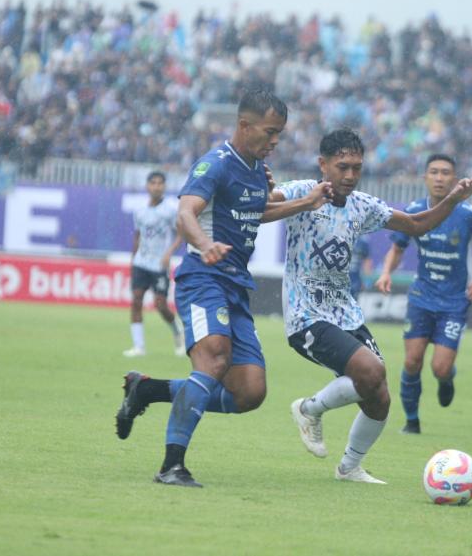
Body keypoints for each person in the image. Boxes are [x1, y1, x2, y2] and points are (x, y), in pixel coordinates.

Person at [112, 89, 331, 488]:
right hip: (202, 278)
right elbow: (185, 212)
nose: (276, 141)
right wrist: (204, 243)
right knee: (213, 361)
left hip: (234, 285)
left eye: (280, 132)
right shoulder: (215, 164)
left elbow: (256, 212)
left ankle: (146, 390)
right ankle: (171, 466)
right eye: (270, 132)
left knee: (249, 392)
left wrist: (305, 203)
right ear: (244, 126)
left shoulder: (254, 167)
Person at [273, 129, 472, 483]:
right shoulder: (299, 191)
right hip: (306, 313)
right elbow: (258, 207)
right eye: (342, 167)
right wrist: (302, 202)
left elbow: (417, 225)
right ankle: (309, 410)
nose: (351, 175)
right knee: (370, 372)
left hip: (346, 313)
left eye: (357, 167)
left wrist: (454, 199)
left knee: (379, 397)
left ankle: (349, 467)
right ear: (322, 165)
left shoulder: (362, 205)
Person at [374, 154, 472, 434]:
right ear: (425, 178)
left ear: (454, 180)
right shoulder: (415, 210)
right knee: (411, 360)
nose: (440, 178)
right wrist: (386, 273)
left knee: (440, 368)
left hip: (455, 302)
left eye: (445, 173)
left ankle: (446, 379)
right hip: (421, 297)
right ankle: (411, 422)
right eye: (434, 172)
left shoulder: (469, 215)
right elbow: (398, 246)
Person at [124, 171, 186, 358]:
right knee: (136, 301)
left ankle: (177, 332)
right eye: (153, 183)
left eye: (160, 183)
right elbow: (137, 235)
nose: (156, 186)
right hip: (141, 263)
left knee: (161, 305)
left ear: (164, 187)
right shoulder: (140, 211)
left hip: (159, 264)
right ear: (147, 186)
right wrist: (133, 259)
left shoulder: (170, 210)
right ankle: (139, 346)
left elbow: (181, 233)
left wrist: (169, 253)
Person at [349, 235, 373, 300]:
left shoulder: (362, 242)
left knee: (351, 307)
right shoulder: (338, 237)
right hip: (337, 281)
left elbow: (367, 261)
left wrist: (367, 279)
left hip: (354, 282)